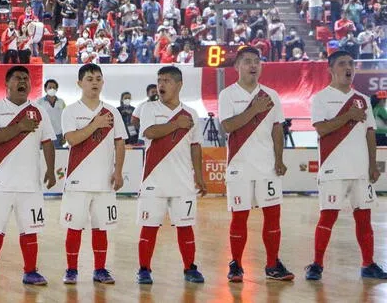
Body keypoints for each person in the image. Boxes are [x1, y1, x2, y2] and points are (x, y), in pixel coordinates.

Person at [305, 50, 387, 281]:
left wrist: (373, 165)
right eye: (342, 64)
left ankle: (368, 264)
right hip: (333, 168)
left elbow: (370, 133)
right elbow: (321, 129)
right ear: (331, 69)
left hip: (360, 170)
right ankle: (317, 264)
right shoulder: (321, 98)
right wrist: (349, 116)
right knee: (327, 218)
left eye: (351, 63)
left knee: (364, 219)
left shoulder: (362, 98)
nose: (348, 67)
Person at [218, 46, 294, 282]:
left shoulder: (271, 95)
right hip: (239, 166)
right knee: (239, 218)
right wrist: (254, 110)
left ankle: (272, 264)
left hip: (267, 167)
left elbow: (277, 129)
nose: (253, 65)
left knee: (273, 217)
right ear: (237, 67)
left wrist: (280, 159)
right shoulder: (227, 94)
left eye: (257, 62)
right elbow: (228, 126)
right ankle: (236, 264)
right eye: (248, 61)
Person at [0, 66, 56, 287]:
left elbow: (48, 142)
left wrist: (50, 169)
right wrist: (20, 127)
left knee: (30, 230)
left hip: (30, 184)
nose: (23, 82)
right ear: (7, 84)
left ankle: (31, 272)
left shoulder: (39, 112)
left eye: (26, 79)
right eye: (18, 78)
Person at [136, 65, 207, 285]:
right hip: (153, 181)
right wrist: (176, 124)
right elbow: (149, 132)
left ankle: (190, 268)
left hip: (183, 181)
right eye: (159, 80)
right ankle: (144, 269)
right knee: (149, 227)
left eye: (166, 80)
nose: (161, 85)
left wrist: (200, 176)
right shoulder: (148, 109)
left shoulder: (192, 114)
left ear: (179, 85)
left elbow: (195, 146)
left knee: (185, 226)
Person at [59, 64, 126, 284]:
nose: (94, 82)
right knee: (74, 227)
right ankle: (71, 270)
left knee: (101, 227)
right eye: (89, 79)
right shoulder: (70, 110)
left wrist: (118, 172)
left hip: (104, 181)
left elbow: (119, 144)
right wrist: (95, 124)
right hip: (77, 180)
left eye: (98, 78)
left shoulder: (112, 111)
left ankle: (100, 269)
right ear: (79, 83)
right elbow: (72, 139)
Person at [36, 79, 66, 148]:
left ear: (57, 89)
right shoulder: (39, 102)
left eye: (54, 87)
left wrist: (65, 135)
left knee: (58, 156)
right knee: (44, 156)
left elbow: (65, 118)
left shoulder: (61, 102)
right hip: (44, 135)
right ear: (45, 89)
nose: (52, 89)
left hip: (59, 135)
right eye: (50, 87)